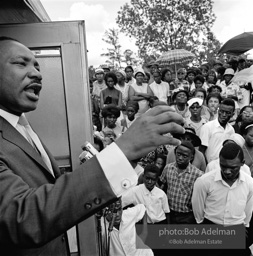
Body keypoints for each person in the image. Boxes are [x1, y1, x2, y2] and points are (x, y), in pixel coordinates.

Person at [0, 37, 185, 255]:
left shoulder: (21, 126)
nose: (37, 73)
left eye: (37, 65)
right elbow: (24, 218)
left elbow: (52, 196)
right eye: (21, 63)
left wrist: (123, 165)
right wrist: (121, 151)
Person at [192, 143, 253, 256]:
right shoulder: (204, 181)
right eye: (223, 166)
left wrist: (242, 226)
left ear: (242, 164)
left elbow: (248, 210)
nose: (227, 171)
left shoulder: (249, 183)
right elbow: (198, 210)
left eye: (233, 167)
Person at [159, 141, 202, 224]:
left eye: (184, 156)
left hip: (186, 216)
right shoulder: (168, 168)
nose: (180, 158)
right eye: (178, 154)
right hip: (169, 213)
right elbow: (162, 186)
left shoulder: (197, 174)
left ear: (191, 157)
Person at [199, 98, 235, 163]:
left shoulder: (231, 130)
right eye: (221, 111)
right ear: (218, 110)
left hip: (224, 166)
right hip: (209, 165)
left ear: (232, 114)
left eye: (227, 113)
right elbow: (201, 151)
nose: (224, 115)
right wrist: (206, 166)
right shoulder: (207, 127)